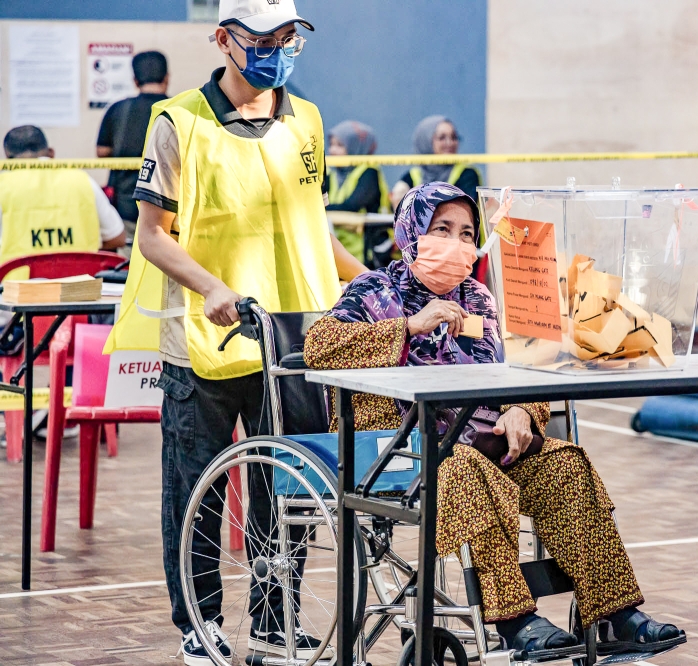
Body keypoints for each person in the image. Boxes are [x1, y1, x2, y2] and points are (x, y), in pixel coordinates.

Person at [304, 182, 685, 655]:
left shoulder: (481, 298)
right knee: (465, 471)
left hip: (488, 446)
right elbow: (318, 348)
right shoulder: (373, 290)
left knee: (566, 464)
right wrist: (409, 326)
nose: (457, 243)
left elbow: (529, 366)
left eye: (467, 234)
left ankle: (614, 612)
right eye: (441, 229)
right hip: (404, 451)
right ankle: (515, 620)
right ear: (410, 232)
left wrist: (523, 409)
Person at [104, 0, 366, 663]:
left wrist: (374, 286)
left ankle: (276, 623)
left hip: (292, 337)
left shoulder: (304, 119)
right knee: (197, 490)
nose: (277, 48)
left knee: (288, 488)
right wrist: (212, 287)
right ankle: (200, 624)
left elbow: (316, 227)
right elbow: (152, 238)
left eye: (288, 37)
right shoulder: (179, 123)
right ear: (224, 39)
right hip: (204, 338)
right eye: (262, 37)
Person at [1, 125, 126, 275]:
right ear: (51, 153)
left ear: (7, 159)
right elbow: (117, 238)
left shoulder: (3, 184)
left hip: (16, 291)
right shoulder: (82, 180)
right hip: (80, 289)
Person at [96, 50, 170, 250]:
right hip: (170, 209)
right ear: (167, 78)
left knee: (127, 273)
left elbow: (102, 151)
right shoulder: (178, 109)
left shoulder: (118, 109)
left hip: (126, 206)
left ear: (135, 81)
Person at [326, 120, 393, 268]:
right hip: (338, 249)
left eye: (339, 145)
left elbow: (352, 205)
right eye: (331, 144)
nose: (332, 151)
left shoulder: (369, 171)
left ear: (355, 147)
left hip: (367, 252)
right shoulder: (332, 173)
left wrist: (319, 209)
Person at [390, 115, 481, 209]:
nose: (450, 143)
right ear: (426, 142)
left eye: (454, 137)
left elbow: (461, 210)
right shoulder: (412, 176)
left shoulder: (468, 174)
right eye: (442, 138)